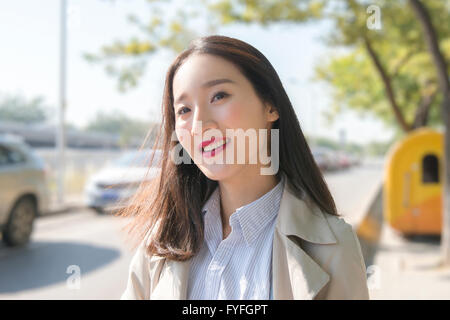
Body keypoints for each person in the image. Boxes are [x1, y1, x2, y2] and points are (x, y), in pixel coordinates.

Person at [119, 35, 369, 300]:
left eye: (219, 96)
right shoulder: (161, 242)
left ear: (270, 105)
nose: (199, 125)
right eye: (184, 110)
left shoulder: (331, 245)